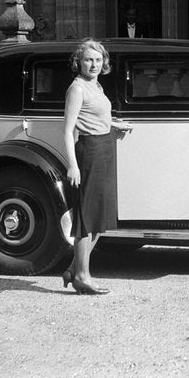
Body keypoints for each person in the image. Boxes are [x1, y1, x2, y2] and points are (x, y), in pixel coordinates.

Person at [62, 38, 131, 295]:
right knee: (86, 217)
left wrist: (114, 125)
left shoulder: (96, 85)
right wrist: (73, 166)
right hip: (88, 153)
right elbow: (68, 131)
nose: (94, 64)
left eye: (98, 60)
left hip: (104, 149)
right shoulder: (77, 89)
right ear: (78, 62)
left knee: (99, 216)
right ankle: (82, 276)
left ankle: (73, 269)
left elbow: (95, 116)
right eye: (89, 59)